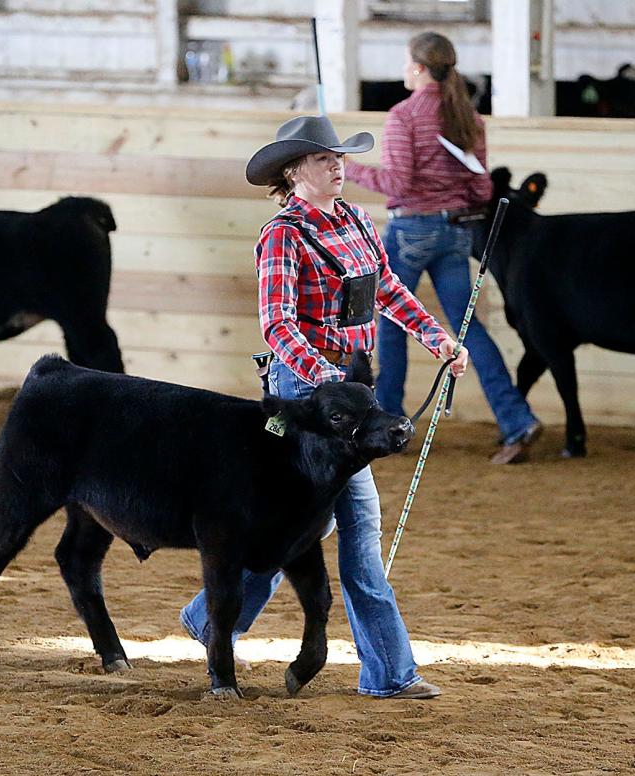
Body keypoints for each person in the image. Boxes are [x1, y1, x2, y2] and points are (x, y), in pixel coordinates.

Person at [179, 115, 469, 699]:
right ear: (292, 173)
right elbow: (277, 325)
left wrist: (437, 338)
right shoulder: (282, 234)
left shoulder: (360, 221)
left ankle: (215, 621)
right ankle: (385, 670)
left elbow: (388, 291)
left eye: (337, 157)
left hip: (351, 400)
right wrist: (328, 382)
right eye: (321, 159)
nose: (337, 166)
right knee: (327, 525)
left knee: (323, 528)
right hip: (308, 403)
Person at [344, 31, 542, 464]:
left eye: (405, 63)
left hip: (410, 230)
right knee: (469, 329)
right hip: (455, 232)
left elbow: (397, 183)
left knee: (391, 327)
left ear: (417, 67)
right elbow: (481, 187)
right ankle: (516, 420)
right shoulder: (467, 117)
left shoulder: (404, 116)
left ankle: (388, 423)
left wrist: (349, 168)